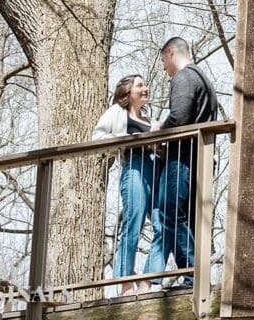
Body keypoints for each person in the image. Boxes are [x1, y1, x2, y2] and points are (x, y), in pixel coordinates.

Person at [148, 37, 217, 290]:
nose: (164, 67)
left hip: (182, 159)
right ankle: (193, 276)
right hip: (198, 158)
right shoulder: (205, 80)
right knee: (185, 218)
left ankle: (192, 278)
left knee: (170, 214)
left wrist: (159, 132)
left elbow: (178, 117)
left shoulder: (184, 77)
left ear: (170, 52)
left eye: (164, 60)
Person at [92, 74, 165, 296]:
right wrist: (129, 140)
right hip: (134, 167)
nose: (146, 88)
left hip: (156, 169)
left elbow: (159, 148)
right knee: (133, 223)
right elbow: (97, 138)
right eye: (140, 85)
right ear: (128, 92)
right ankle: (125, 284)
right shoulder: (117, 112)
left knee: (163, 224)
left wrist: (157, 143)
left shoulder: (152, 121)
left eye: (145, 84)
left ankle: (148, 281)